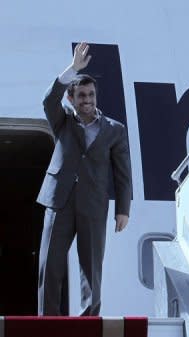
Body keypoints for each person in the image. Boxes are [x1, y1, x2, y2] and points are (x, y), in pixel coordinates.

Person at [37, 42, 132, 316]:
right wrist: (72, 69)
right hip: (59, 200)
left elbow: (123, 171)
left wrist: (123, 209)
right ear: (71, 98)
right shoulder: (62, 120)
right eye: (81, 96)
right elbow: (47, 99)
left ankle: (89, 320)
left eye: (91, 95)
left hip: (94, 202)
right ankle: (48, 321)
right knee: (50, 264)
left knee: (92, 267)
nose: (87, 100)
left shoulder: (114, 129)